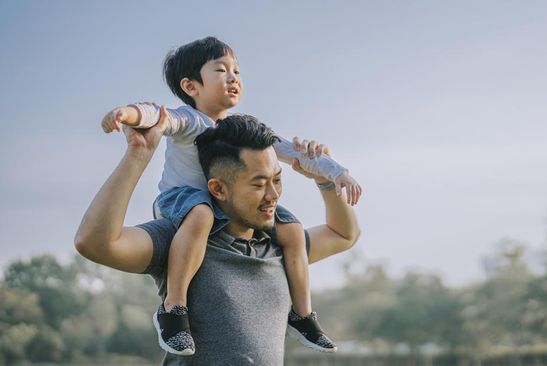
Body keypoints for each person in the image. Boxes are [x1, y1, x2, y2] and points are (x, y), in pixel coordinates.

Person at [99, 36, 362, 354]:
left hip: (220, 211)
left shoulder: (246, 135)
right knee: (201, 214)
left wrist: (335, 174)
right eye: (221, 70)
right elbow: (157, 115)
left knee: (291, 228)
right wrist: (127, 114)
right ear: (191, 86)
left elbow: (295, 155)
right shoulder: (189, 120)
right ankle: (174, 309)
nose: (233, 77)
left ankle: (303, 314)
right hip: (182, 202)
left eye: (236, 71)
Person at [75, 111, 361, 364]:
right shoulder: (183, 239)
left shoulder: (280, 244)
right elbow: (94, 242)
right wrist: (137, 155)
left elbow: (343, 234)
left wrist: (324, 177)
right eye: (259, 184)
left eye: (277, 179)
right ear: (218, 189)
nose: (273, 195)